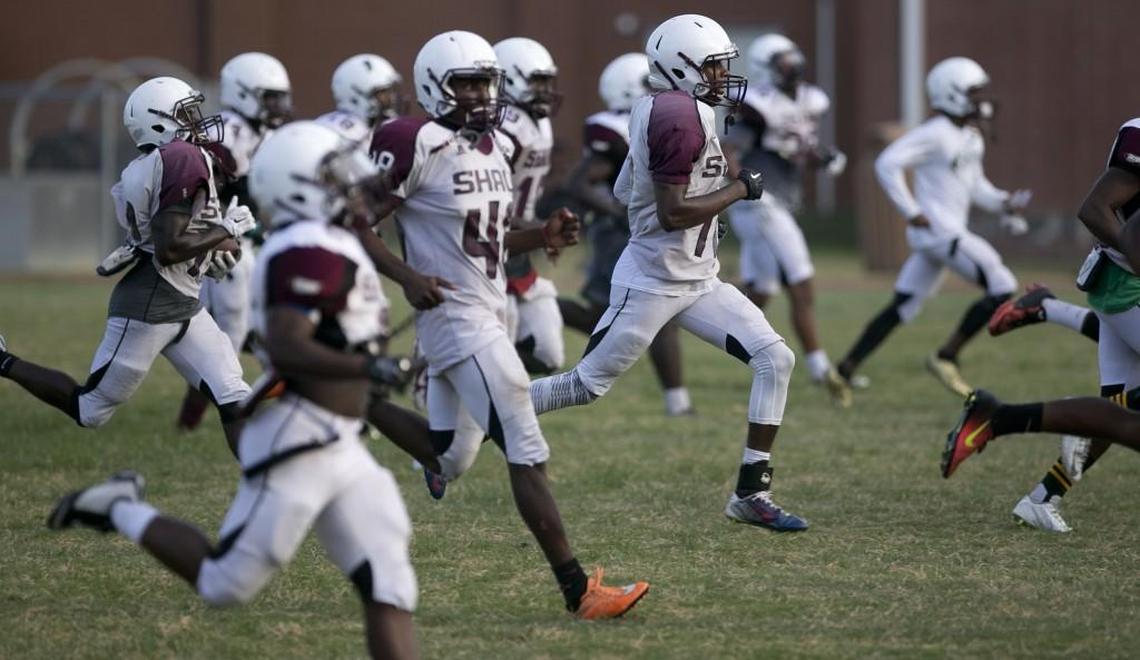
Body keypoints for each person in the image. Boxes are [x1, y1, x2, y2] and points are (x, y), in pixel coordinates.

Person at [44, 122, 421, 659]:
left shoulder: (332, 241)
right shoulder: (304, 249)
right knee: (226, 582)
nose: (352, 185)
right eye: (335, 176)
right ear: (299, 186)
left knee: (391, 581)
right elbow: (288, 348)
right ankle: (120, 508)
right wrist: (373, 370)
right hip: (300, 436)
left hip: (341, 438)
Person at [361, 30, 649, 618]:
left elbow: (488, 237)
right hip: (457, 316)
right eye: (465, 83)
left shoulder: (495, 145)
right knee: (526, 445)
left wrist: (539, 235)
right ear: (432, 87)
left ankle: (349, 395)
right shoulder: (414, 141)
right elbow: (353, 222)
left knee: (449, 458)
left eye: (485, 83)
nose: (479, 96)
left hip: (486, 305)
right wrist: (406, 276)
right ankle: (579, 591)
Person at [529, 14, 808, 532]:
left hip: (698, 279)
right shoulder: (677, 116)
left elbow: (622, 189)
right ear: (681, 68)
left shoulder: (675, 108)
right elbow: (672, 213)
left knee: (775, 359)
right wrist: (739, 190)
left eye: (724, 67)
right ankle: (482, 411)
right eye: (714, 67)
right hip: (654, 281)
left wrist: (709, 190)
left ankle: (750, 492)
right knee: (585, 386)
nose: (724, 78)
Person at [0, 77, 251, 455]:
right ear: (159, 121)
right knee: (90, 409)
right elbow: (169, 248)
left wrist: (210, 256)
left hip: (183, 300)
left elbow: (178, 238)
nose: (197, 120)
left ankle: (263, 482)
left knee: (235, 396)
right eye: (186, 112)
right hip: (150, 305)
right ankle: (2, 359)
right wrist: (224, 230)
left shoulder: (153, 162)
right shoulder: (180, 157)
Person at [948, 116, 1140, 530]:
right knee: (1119, 418)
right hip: (1129, 286)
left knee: (1121, 423)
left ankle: (1037, 490)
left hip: (1122, 283)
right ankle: (1070, 412)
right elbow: (1094, 209)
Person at [835, 57, 1032, 397]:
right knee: (1002, 285)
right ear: (950, 93)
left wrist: (1004, 202)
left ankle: (844, 369)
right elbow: (887, 163)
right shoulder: (935, 133)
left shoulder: (970, 136)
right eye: (973, 92)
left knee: (903, 305)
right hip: (942, 232)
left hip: (940, 235)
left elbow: (975, 186)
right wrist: (910, 210)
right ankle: (947, 356)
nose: (980, 99)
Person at [558, 52, 694, 417]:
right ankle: (535, 312)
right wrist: (622, 212)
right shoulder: (615, 126)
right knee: (613, 315)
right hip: (617, 235)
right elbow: (580, 183)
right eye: (650, 82)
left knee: (649, 313)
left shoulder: (653, 120)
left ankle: (678, 404)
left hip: (635, 234)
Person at [725, 33, 851, 406]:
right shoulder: (757, 105)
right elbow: (731, 151)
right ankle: (820, 369)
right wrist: (742, 189)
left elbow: (798, 146)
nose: (792, 67)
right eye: (783, 61)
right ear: (767, 68)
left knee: (761, 290)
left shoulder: (808, 100)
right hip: (762, 202)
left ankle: (708, 320)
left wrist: (822, 158)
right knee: (801, 279)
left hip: (774, 200)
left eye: (792, 58)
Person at [177, 52, 293, 430]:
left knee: (259, 326)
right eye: (269, 97)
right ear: (243, 94)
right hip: (218, 241)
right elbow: (217, 189)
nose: (277, 105)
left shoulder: (271, 134)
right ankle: (203, 412)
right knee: (232, 327)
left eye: (279, 97)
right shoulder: (224, 132)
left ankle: (270, 396)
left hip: (251, 240)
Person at [493, 37, 566, 375]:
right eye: (538, 82)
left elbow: (523, 196)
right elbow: (491, 202)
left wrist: (540, 228)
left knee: (549, 353)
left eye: (548, 82)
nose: (546, 90)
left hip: (519, 247)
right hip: (490, 248)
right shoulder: (503, 127)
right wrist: (537, 231)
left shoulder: (538, 122)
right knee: (493, 352)